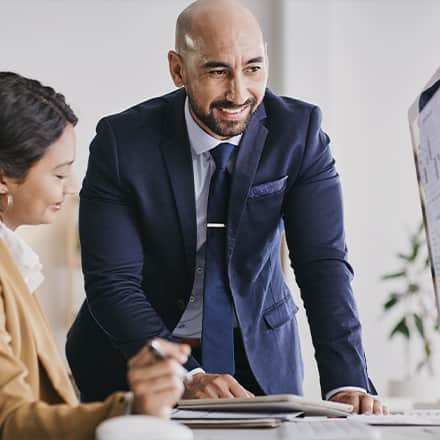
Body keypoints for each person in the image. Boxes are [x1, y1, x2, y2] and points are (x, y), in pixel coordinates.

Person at [67, 0, 385, 414]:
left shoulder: (299, 133)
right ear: (178, 69)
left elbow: (322, 263)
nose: (239, 93)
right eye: (217, 71)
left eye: (253, 68)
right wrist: (189, 377)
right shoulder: (122, 142)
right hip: (136, 360)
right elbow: (113, 283)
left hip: (258, 358)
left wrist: (346, 381)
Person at [0, 71, 190, 440]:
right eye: (59, 174)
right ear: (3, 176)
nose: (72, 187)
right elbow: (8, 421)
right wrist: (130, 409)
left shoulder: (13, 259)